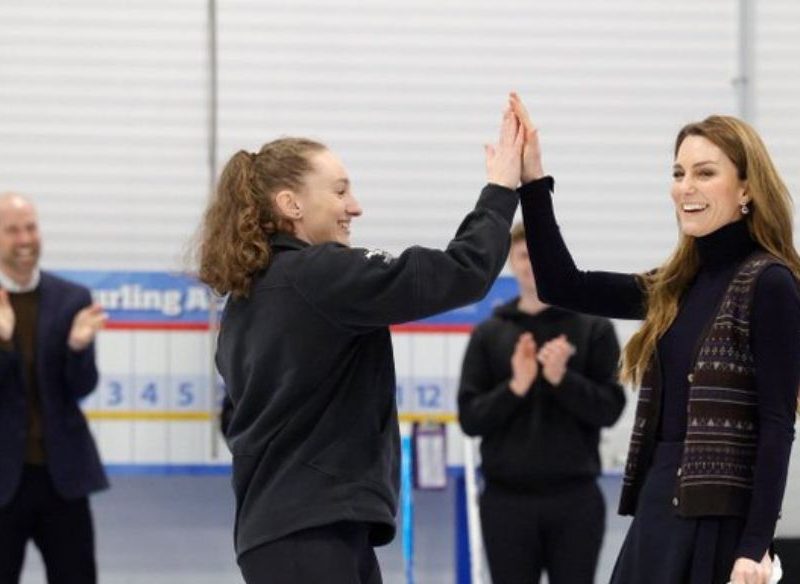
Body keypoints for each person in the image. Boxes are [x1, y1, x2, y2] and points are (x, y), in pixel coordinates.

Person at [196, 110, 524, 584]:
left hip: (294, 533)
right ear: (291, 204)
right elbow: (462, 272)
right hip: (309, 537)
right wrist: (501, 190)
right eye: (340, 190)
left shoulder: (247, 301)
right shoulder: (317, 275)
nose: (356, 207)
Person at [510, 92, 800, 584]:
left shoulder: (769, 283)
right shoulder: (675, 285)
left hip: (717, 521)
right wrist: (533, 182)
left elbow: (777, 424)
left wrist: (754, 546)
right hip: (659, 509)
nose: (686, 186)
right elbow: (562, 284)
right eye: (678, 173)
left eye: (705, 173)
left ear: (747, 188)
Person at [458, 221, 625, 584]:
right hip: (507, 500)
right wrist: (516, 386)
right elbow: (470, 418)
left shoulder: (593, 328)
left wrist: (561, 380)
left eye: (539, 255)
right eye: (523, 255)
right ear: (511, 262)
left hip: (575, 497)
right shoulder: (489, 333)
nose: (531, 264)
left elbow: (611, 408)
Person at [0, 193, 108, 584]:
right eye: (12, 230)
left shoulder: (71, 299)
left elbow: (82, 386)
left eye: (30, 227)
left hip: (61, 476)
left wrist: (78, 349)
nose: (25, 238)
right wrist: (4, 343)